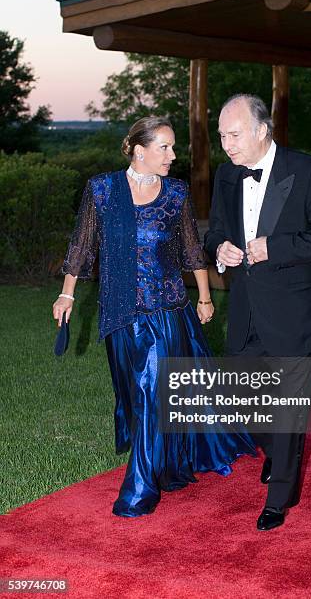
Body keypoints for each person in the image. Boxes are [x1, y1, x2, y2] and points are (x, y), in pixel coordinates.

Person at [52, 116, 255, 518]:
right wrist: (66, 293)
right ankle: (168, 463)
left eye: (173, 147)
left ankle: (140, 488)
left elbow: (190, 250)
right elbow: (82, 244)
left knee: (151, 392)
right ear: (139, 150)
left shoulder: (176, 193)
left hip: (165, 310)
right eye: (164, 147)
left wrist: (204, 297)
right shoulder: (103, 190)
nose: (172, 155)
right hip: (120, 312)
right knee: (132, 392)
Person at [204, 94, 311, 531]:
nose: (226, 144)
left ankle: (279, 497)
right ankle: (275, 452)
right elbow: (213, 233)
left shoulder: (309, 171)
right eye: (221, 135)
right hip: (248, 309)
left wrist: (275, 248)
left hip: (298, 309)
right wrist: (220, 249)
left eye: (234, 134)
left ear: (263, 130)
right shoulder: (227, 176)